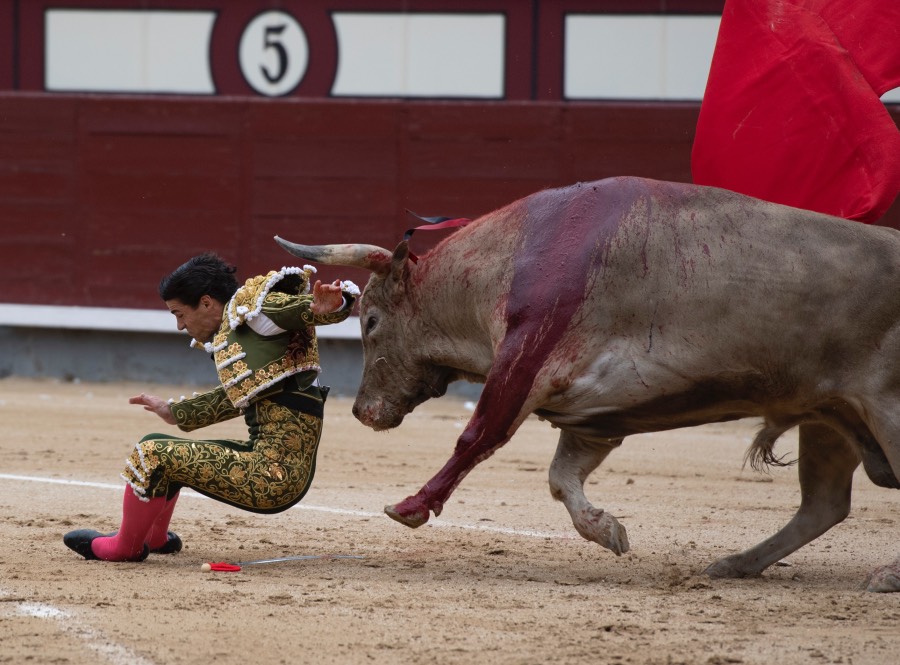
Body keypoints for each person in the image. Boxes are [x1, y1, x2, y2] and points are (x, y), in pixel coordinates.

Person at [63, 253, 359, 561]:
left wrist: (331, 308)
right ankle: (155, 538)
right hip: (272, 466)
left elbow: (302, 310)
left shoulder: (256, 311)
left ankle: (123, 548)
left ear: (206, 303)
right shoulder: (245, 323)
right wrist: (174, 412)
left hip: (272, 477)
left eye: (180, 314)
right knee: (165, 449)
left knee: (150, 454)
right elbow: (236, 396)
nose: (180, 326)